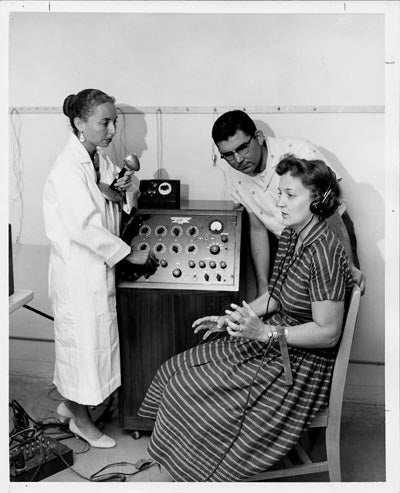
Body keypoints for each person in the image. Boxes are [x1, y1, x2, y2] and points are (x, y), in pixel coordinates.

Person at [138, 155, 354, 481]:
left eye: (290, 195)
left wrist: (265, 332)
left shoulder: (325, 252)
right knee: (175, 368)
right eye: (279, 192)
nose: (279, 202)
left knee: (188, 386)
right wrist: (236, 317)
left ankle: (208, 472)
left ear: (319, 199)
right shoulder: (293, 235)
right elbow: (276, 295)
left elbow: (328, 333)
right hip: (277, 340)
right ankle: (190, 465)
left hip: (301, 365)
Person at [43, 89, 157, 448]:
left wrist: (124, 191)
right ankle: (80, 421)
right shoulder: (66, 169)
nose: (111, 129)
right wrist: (127, 255)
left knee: (95, 348)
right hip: (78, 274)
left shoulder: (99, 160)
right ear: (79, 123)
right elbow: (85, 226)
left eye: (114, 122)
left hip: (98, 270)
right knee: (81, 350)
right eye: (104, 122)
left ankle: (72, 405)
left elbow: (117, 202)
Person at [211, 109, 365, 296]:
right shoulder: (233, 175)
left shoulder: (299, 152)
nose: (238, 160)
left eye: (242, 148)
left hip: (329, 235)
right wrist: (263, 286)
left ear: (258, 137)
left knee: (337, 303)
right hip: (285, 244)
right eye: (228, 154)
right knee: (290, 310)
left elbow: (329, 210)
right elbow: (258, 228)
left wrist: (347, 262)